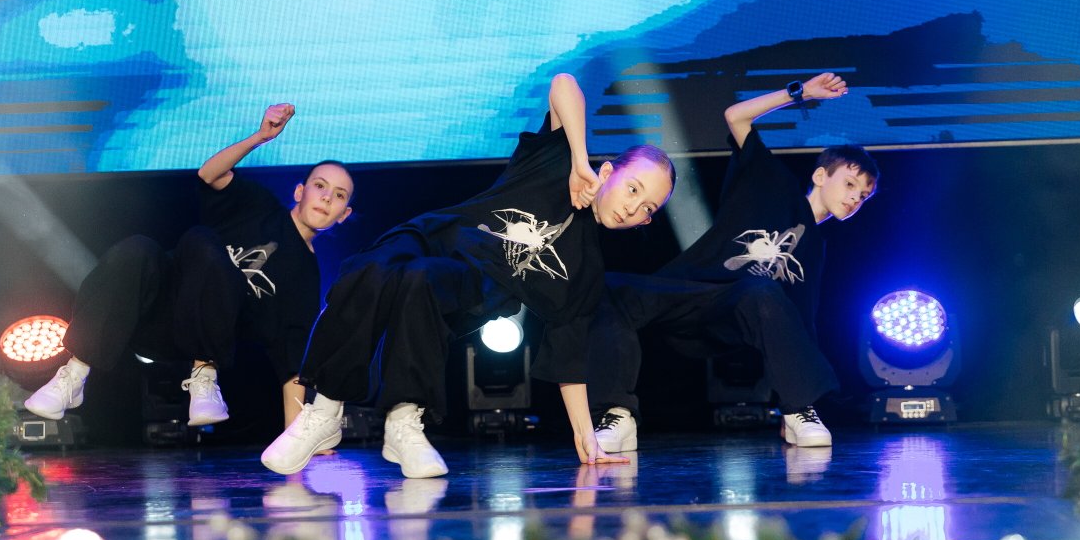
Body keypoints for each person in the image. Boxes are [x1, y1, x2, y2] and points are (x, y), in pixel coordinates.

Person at [260, 73, 676, 479]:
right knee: (368, 268)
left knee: (421, 281)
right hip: (437, 235)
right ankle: (325, 410)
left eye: (648, 209)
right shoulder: (558, 160)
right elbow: (564, 84)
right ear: (608, 173)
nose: (633, 207)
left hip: (473, 287)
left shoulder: (585, 272)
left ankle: (404, 421)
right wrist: (579, 160)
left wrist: (587, 439)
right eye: (633, 188)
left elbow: (570, 359)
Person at [587, 72, 878, 451]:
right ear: (821, 175)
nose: (855, 198)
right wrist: (802, 93)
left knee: (761, 292)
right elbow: (736, 116)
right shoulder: (772, 182)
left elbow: (800, 323)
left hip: (733, 318)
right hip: (688, 293)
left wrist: (799, 392)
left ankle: (798, 412)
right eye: (850, 185)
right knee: (607, 289)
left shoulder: (815, 249)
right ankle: (617, 415)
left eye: (864, 196)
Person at [23, 104, 353, 428]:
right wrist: (260, 137)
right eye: (320, 186)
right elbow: (209, 174)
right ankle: (74, 375)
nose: (326, 198)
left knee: (203, 243)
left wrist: (298, 439)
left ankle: (204, 375)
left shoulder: (306, 277)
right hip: (151, 316)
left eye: (339, 195)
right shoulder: (260, 206)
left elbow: (292, 366)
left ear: (344, 214)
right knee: (142, 248)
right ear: (300, 191)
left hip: (201, 338)